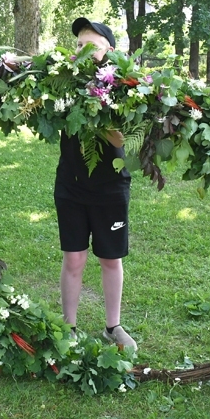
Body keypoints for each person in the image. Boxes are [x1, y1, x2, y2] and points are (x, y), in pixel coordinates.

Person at [55, 18, 137, 351]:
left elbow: (121, 137)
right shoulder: (61, 84)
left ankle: (112, 326)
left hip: (110, 188)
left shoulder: (126, 87)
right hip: (71, 185)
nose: (83, 52)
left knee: (110, 259)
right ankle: (69, 327)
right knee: (73, 259)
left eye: (92, 46)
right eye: (78, 45)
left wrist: (97, 110)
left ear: (111, 52)